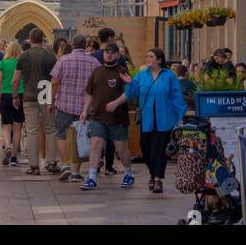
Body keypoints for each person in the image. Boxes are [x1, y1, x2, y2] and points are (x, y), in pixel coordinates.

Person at [116, 48, 187, 194]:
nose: (147, 59)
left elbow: (176, 97)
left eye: (150, 56)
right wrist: (129, 83)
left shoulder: (169, 76)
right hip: (147, 119)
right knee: (145, 148)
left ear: (159, 60)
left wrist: (180, 117)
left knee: (159, 150)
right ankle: (153, 174)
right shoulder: (141, 75)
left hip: (164, 120)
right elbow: (132, 94)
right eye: (146, 56)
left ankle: (157, 179)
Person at [79, 40, 135, 191]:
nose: (109, 57)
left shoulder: (122, 71)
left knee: (121, 149)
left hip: (117, 118)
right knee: (96, 145)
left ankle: (129, 173)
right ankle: (91, 178)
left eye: (112, 54)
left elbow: (128, 93)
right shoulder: (97, 71)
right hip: (98, 116)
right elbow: (89, 93)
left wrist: (116, 103)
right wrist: (85, 110)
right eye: (106, 53)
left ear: (117, 55)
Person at [50, 33, 98, 182]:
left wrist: (51, 101)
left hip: (65, 103)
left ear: (72, 45)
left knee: (61, 134)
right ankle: (76, 172)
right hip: (85, 107)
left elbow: (54, 82)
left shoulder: (63, 60)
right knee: (80, 136)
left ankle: (65, 165)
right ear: (85, 46)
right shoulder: (94, 62)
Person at [12, 27, 58, 176]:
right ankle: (51, 163)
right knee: (50, 129)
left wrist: (15, 96)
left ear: (30, 39)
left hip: (29, 95)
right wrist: (53, 98)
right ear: (43, 39)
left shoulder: (23, 56)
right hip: (45, 93)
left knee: (31, 131)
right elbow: (55, 80)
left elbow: (15, 79)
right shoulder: (51, 57)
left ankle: (34, 166)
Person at [0, 40, 23, 166]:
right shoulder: (21, 63)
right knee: (18, 127)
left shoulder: (3, 63)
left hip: (6, 94)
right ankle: (13, 157)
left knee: (6, 127)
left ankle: (7, 147)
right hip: (20, 94)